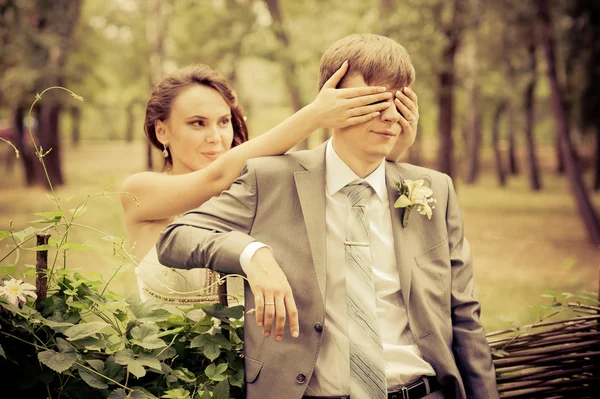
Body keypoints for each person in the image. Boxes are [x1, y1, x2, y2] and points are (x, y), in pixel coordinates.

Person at [156, 34, 498, 399]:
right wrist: (253, 254)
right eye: (371, 100)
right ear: (331, 102)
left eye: (398, 101)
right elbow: (176, 236)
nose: (388, 115)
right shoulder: (272, 180)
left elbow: (465, 316)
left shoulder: (434, 189)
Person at [121, 62, 394, 304]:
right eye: (197, 123)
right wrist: (314, 116)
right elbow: (215, 178)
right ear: (162, 130)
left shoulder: (251, 190)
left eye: (224, 121)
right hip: (165, 360)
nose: (215, 136)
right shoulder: (139, 191)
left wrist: (393, 143)